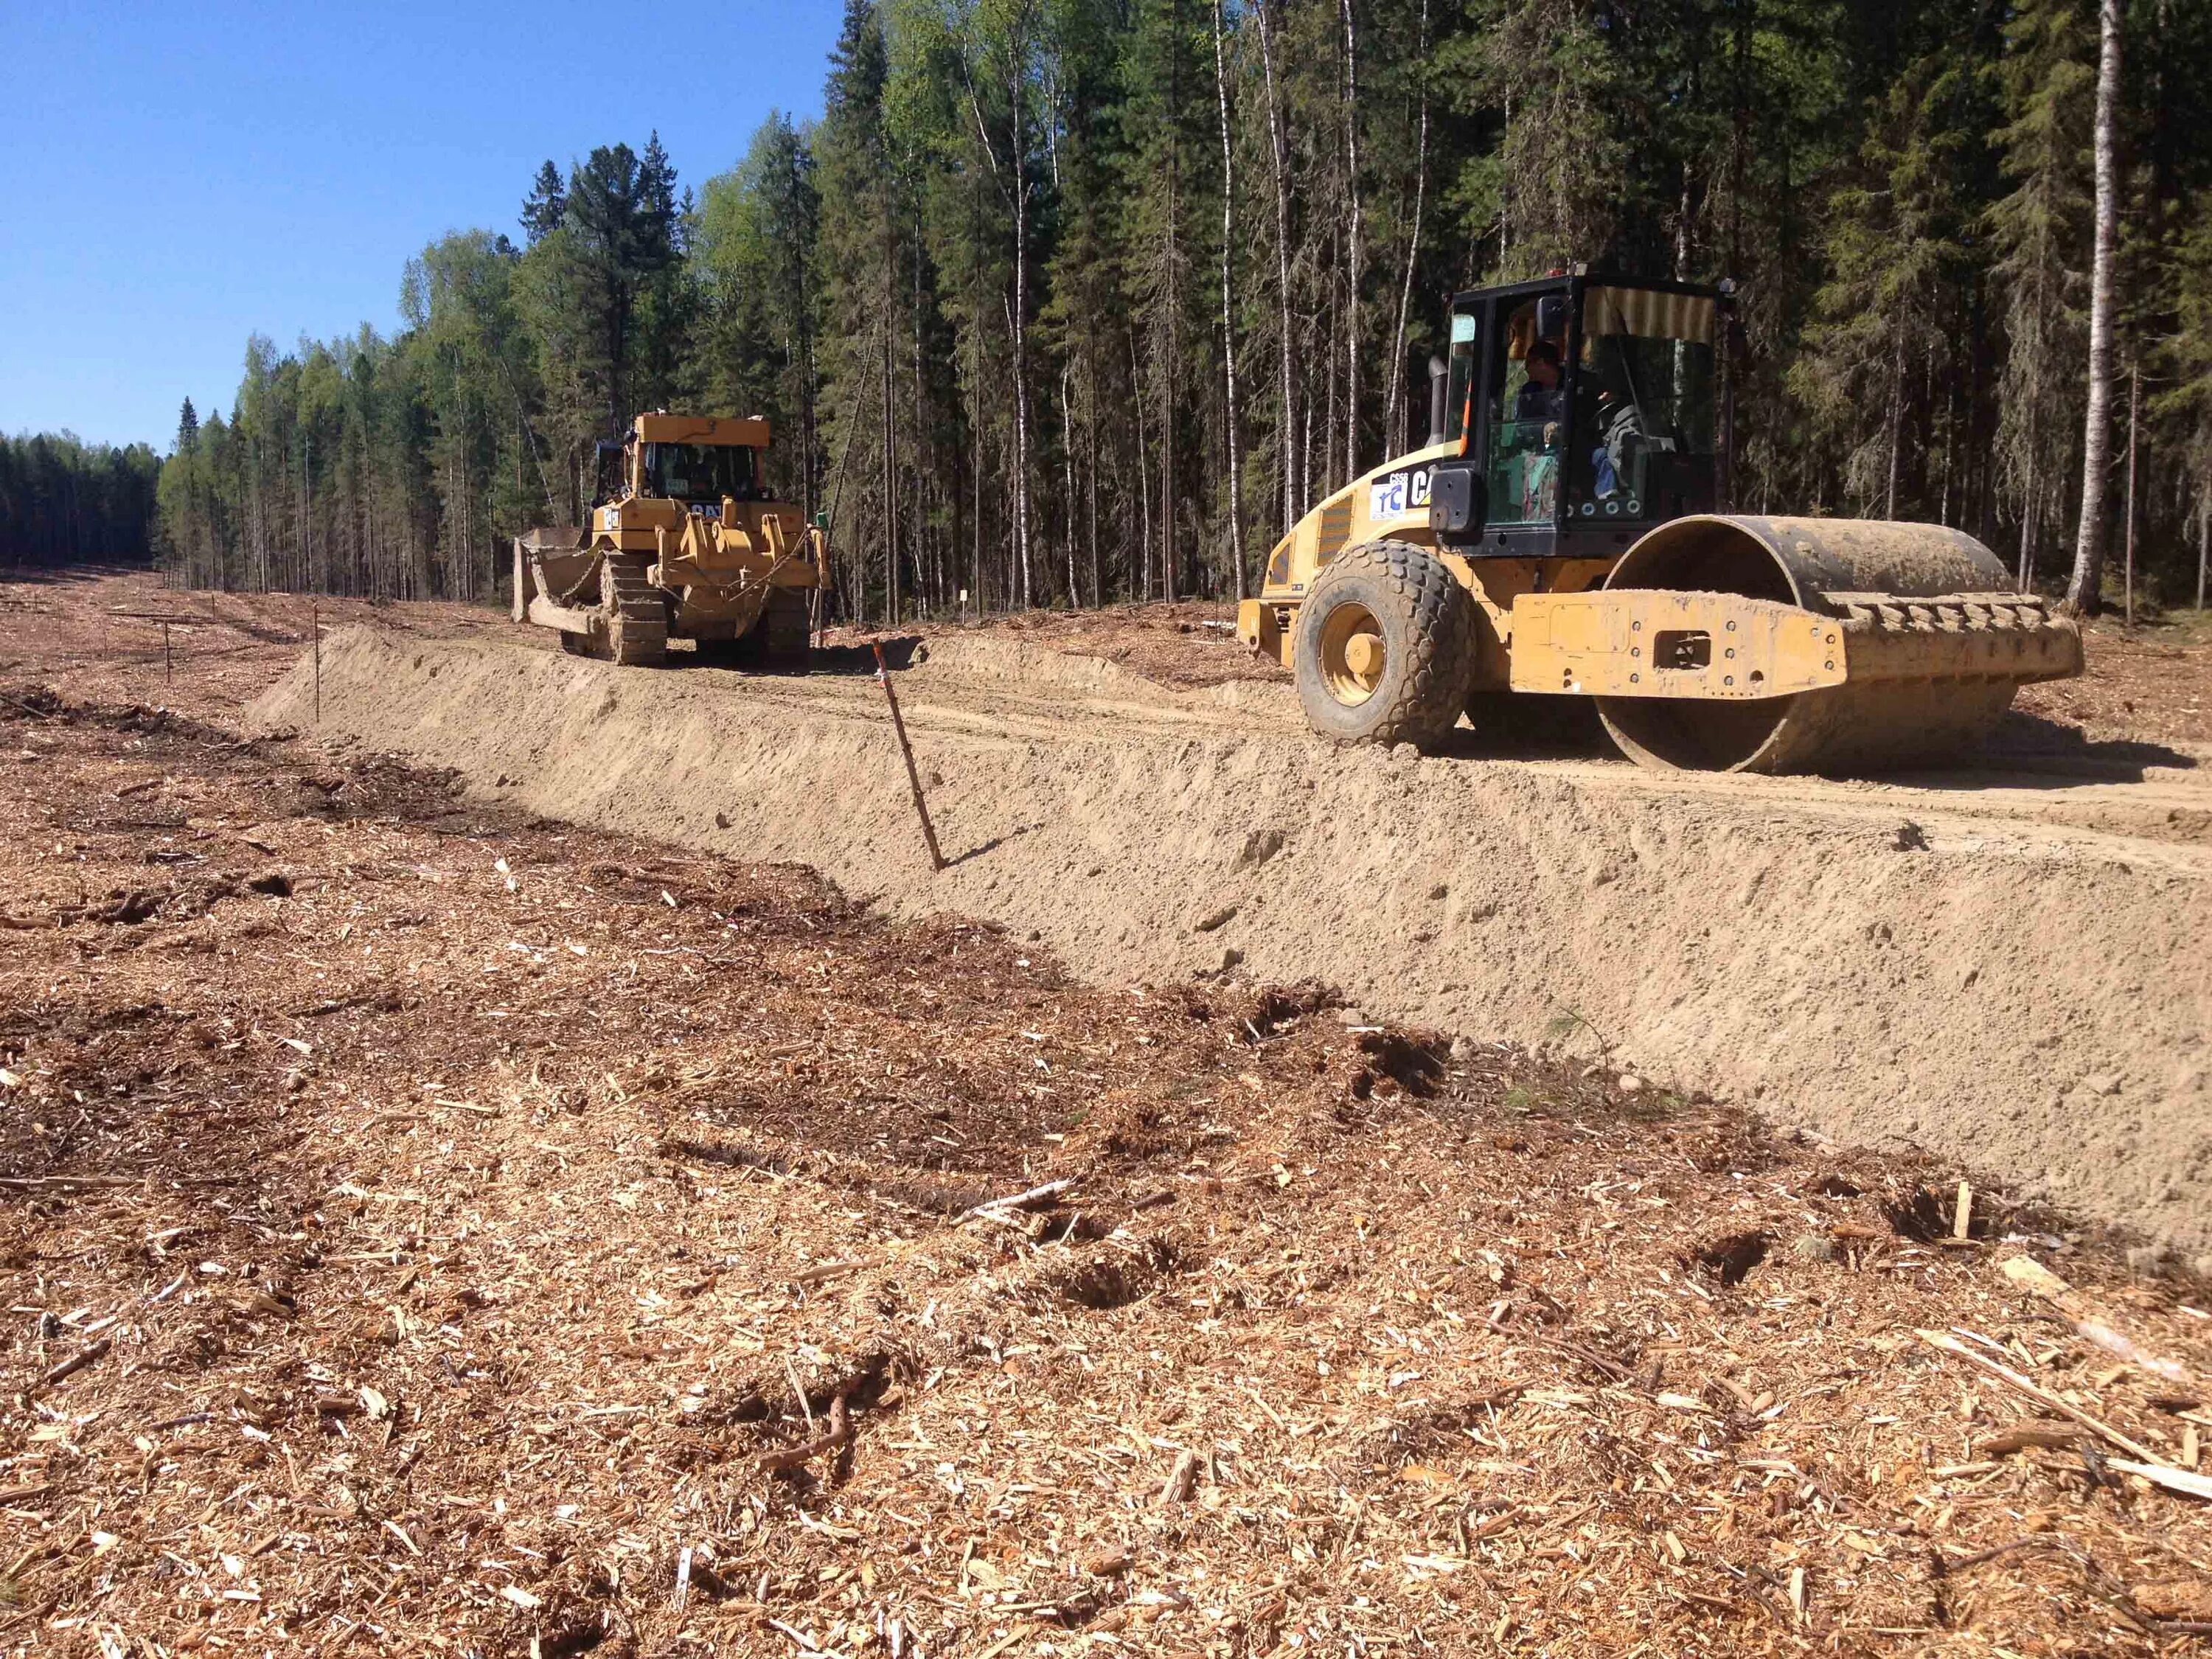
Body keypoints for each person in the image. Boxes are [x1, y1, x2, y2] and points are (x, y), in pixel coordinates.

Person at [1515, 340, 1567, 428]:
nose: (1526, 370)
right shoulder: (1528, 391)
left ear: (1540, 363)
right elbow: (1522, 426)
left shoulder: (1573, 383)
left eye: (1528, 364)